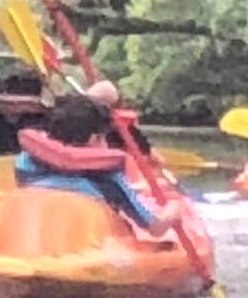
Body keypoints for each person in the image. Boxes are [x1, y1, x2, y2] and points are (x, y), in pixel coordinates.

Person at [14, 94, 184, 234]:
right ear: (94, 138)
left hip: (33, 233)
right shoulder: (108, 179)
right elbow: (156, 227)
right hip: (86, 242)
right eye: (104, 138)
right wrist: (174, 209)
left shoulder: (26, 162)